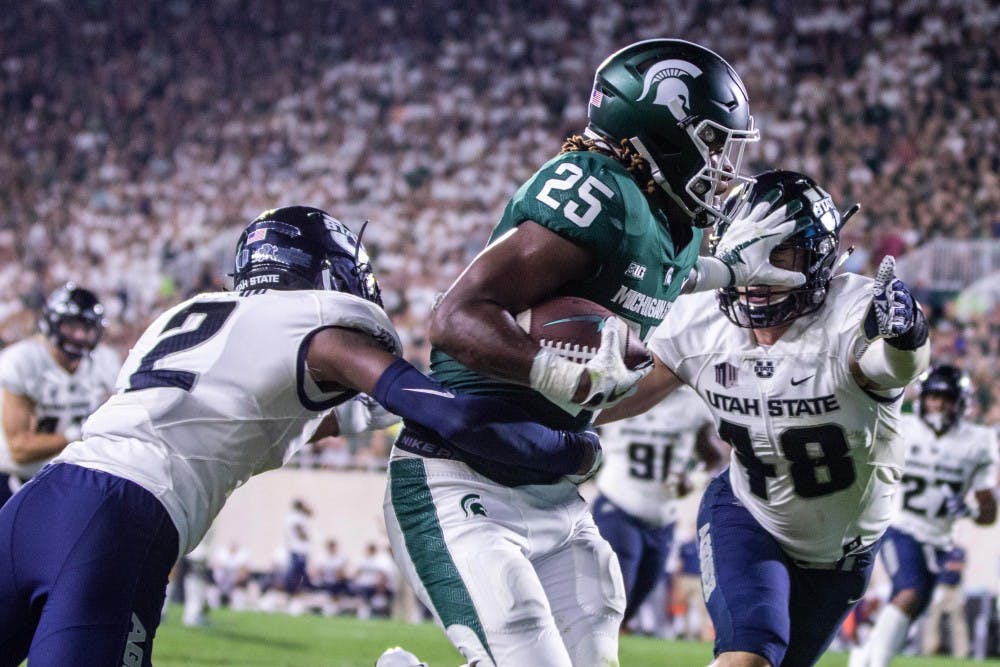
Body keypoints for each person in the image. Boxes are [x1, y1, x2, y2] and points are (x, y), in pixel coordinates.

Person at [0, 206, 602, 667]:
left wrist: (387, 412)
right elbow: (453, 417)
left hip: (37, 503)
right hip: (122, 522)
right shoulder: (324, 330)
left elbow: (264, 420)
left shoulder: (187, 317)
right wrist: (571, 449)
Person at [382, 38, 810, 667]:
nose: (723, 162)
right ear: (661, 127)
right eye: (714, 141)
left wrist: (730, 269)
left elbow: (654, 275)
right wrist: (549, 368)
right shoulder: (593, 188)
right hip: (460, 473)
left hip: (551, 485)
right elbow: (451, 319)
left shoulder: (674, 223)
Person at [600, 169, 932, 667]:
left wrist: (907, 338)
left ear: (818, 257)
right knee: (750, 655)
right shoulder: (701, 322)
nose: (759, 274)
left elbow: (891, 366)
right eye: (746, 251)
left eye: (780, 254)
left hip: (841, 556)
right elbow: (610, 400)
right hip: (747, 515)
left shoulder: (851, 313)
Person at [852, 365, 997, 667]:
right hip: (898, 526)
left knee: (914, 603)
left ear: (961, 403)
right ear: (922, 399)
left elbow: (988, 514)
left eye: (946, 398)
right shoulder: (902, 427)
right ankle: (875, 662)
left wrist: (969, 510)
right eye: (933, 397)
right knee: (910, 590)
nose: (938, 405)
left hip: (940, 540)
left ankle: (863, 656)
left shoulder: (979, 441)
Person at [592, 385, 722, 630]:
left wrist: (693, 479)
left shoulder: (692, 403)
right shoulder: (619, 389)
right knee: (617, 592)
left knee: (637, 597)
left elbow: (712, 457)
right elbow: (580, 424)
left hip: (664, 516)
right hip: (617, 504)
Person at [0, 284, 119, 508]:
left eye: (87, 328)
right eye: (71, 326)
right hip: (15, 481)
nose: (80, 336)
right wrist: (77, 433)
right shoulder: (22, 361)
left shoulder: (105, 362)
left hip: (72, 480)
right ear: (52, 323)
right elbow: (19, 448)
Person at [920, 545, 969, 658]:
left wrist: (950, 566)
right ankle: (929, 649)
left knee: (958, 620)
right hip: (940, 587)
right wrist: (950, 566)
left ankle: (961, 653)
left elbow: (960, 565)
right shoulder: (939, 549)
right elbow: (937, 566)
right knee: (933, 619)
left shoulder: (959, 549)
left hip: (955, 588)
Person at [283, 497, 315, 613]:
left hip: (296, 550)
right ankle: (293, 599)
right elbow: (301, 532)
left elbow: (311, 513)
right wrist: (306, 536)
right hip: (298, 550)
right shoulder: (295, 517)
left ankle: (293, 599)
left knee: (298, 576)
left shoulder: (294, 516)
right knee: (297, 576)